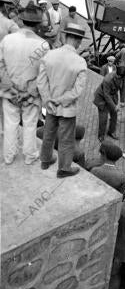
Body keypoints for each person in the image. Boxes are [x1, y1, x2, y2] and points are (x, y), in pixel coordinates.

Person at [0, 3, 50, 165]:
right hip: (30, 94)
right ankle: (29, 155)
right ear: (37, 24)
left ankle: (8, 156)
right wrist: (30, 90)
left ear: (22, 20)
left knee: (10, 124)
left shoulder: (8, 39)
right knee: (29, 124)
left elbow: (1, 66)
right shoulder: (43, 45)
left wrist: (10, 87)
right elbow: (43, 74)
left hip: (9, 92)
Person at [37, 23, 88, 178]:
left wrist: (49, 100)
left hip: (50, 106)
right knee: (66, 139)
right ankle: (64, 168)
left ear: (65, 37)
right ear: (79, 42)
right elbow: (77, 91)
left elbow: (41, 82)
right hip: (67, 109)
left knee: (48, 133)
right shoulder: (80, 62)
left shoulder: (49, 55)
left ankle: (45, 160)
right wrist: (60, 100)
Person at [93, 66, 125, 142]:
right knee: (103, 119)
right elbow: (106, 95)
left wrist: (122, 101)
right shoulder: (107, 79)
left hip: (112, 97)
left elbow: (123, 88)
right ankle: (101, 135)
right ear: (119, 76)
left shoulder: (123, 77)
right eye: (124, 77)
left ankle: (111, 132)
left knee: (114, 116)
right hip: (102, 98)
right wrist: (114, 106)